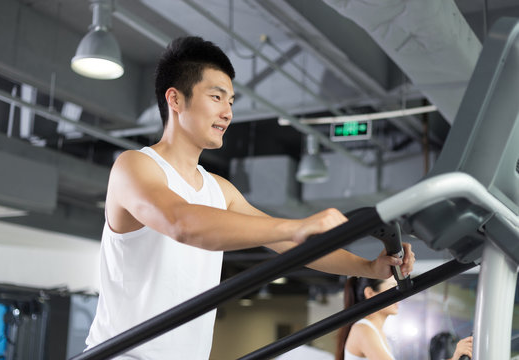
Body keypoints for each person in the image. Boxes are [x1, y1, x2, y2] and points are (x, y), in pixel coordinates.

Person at [84, 36, 415, 359]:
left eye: (231, 101)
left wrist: (369, 268)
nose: (227, 112)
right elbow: (181, 222)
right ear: (175, 99)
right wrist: (294, 227)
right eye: (216, 97)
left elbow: (293, 245)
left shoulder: (220, 190)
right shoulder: (135, 166)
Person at [336, 277, 472, 360]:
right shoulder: (363, 329)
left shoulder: (379, 333)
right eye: (392, 288)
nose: (399, 296)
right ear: (370, 293)